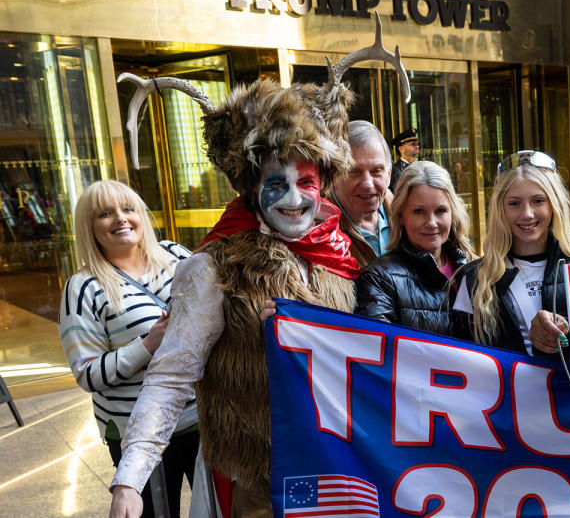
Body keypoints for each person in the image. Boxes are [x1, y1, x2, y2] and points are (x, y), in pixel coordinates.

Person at [109, 76, 370, 516]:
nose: (292, 198)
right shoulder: (214, 265)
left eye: (304, 182)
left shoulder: (343, 252)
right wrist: (129, 480)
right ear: (251, 186)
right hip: (258, 481)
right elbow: (172, 376)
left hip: (340, 468)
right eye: (276, 183)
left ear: (322, 183)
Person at [59, 180, 198, 518]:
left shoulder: (176, 255)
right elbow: (87, 373)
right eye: (104, 214)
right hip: (137, 435)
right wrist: (149, 344)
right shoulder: (84, 287)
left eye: (127, 209)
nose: (120, 219)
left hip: (202, 421)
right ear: (89, 228)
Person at [450, 150, 570, 356]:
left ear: (554, 205)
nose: (527, 214)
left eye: (538, 201)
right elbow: (462, 358)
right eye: (514, 203)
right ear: (501, 209)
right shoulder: (474, 278)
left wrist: (566, 332)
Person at [355, 161, 475, 334]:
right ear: (401, 215)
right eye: (419, 211)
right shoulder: (378, 280)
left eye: (440, 211)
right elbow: (380, 352)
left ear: (453, 213)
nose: (431, 223)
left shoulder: (472, 267)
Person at [331, 120, 392, 267]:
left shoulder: (408, 217)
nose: (367, 184)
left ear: (388, 174)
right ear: (333, 176)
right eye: (353, 171)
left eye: (376, 171)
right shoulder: (317, 235)